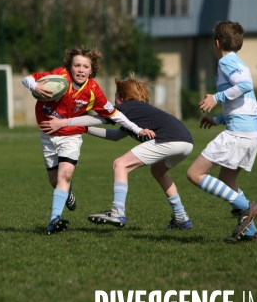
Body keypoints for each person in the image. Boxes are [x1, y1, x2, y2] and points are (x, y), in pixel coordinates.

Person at [22, 46, 154, 235]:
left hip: (71, 136)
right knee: (55, 181)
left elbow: (115, 114)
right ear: (70, 67)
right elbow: (27, 79)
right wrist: (35, 86)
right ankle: (68, 192)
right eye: (77, 65)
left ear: (91, 70)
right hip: (48, 135)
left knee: (65, 174)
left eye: (85, 66)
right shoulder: (60, 77)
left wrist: (138, 129)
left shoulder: (93, 91)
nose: (81, 70)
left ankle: (54, 220)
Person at [40, 75, 194, 230]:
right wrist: (83, 129)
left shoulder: (126, 107)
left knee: (120, 164)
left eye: (114, 95)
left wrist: (65, 122)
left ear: (121, 96)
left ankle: (117, 212)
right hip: (186, 142)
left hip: (169, 140)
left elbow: (96, 119)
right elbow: (115, 136)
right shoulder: (137, 112)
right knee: (158, 171)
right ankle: (181, 217)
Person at [186, 21, 257, 243]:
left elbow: (245, 85)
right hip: (250, 132)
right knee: (228, 182)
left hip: (239, 134)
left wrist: (215, 98)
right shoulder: (239, 62)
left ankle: (247, 207)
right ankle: (250, 231)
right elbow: (243, 104)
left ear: (217, 43)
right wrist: (217, 119)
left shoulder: (226, 61)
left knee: (195, 174)